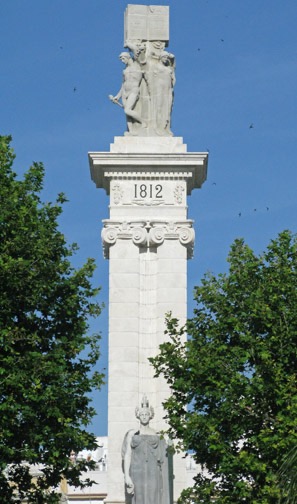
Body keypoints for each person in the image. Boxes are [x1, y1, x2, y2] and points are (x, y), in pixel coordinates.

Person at [122, 396, 171, 504]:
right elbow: (127, 455)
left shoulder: (157, 434)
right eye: (142, 414)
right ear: (138, 416)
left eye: (146, 414)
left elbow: (166, 454)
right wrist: (127, 476)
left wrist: (168, 441)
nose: (144, 417)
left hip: (153, 472)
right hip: (136, 472)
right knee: (138, 498)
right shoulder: (132, 434)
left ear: (150, 416)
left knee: (154, 497)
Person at [109, 52, 146, 134]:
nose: (122, 61)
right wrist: (117, 96)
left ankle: (143, 122)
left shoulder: (137, 67)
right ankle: (131, 131)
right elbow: (123, 84)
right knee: (127, 114)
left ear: (128, 57)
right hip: (125, 92)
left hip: (134, 90)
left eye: (123, 58)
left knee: (127, 110)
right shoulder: (125, 70)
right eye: (121, 59)